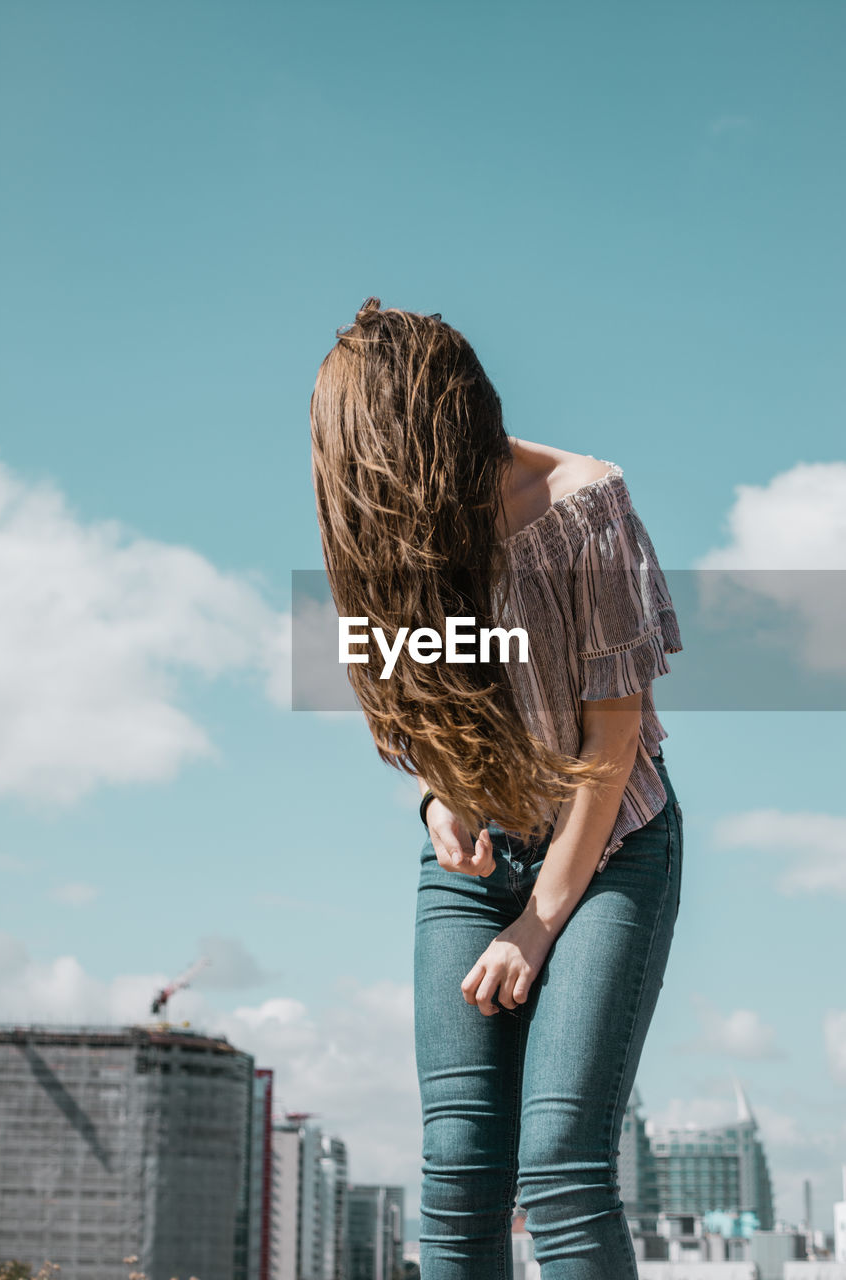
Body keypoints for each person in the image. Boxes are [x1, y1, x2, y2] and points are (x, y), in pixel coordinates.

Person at [310, 297, 684, 1279]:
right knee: (458, 1171)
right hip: (483, 857)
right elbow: (421, 707)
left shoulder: (586, 507)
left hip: (611, 844)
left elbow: (610, 745)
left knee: (557, 1168)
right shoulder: (393, 533)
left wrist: (537, 922)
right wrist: (443, 801)